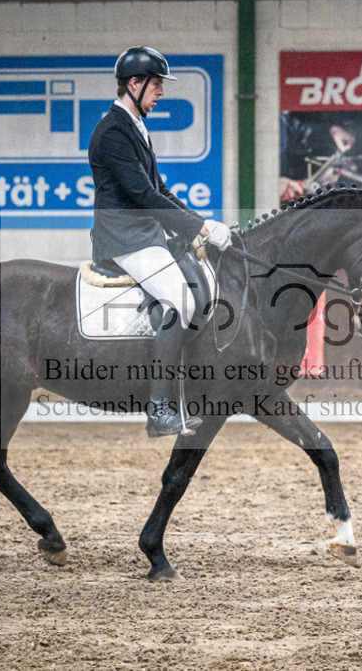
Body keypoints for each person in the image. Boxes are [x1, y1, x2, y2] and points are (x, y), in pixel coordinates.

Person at [88, 45, 231, 438]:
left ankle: (183, 394)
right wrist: (198, 229)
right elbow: (143, 196)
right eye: (156, 85)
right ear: (133, 84)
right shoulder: (112, 132)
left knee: (197, 287)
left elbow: (160, 189)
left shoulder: (135, 126)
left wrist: (200, 221)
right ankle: (159, 410)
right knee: (180, 300)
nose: (161, 92)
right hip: (124, 239)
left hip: (145, 235)